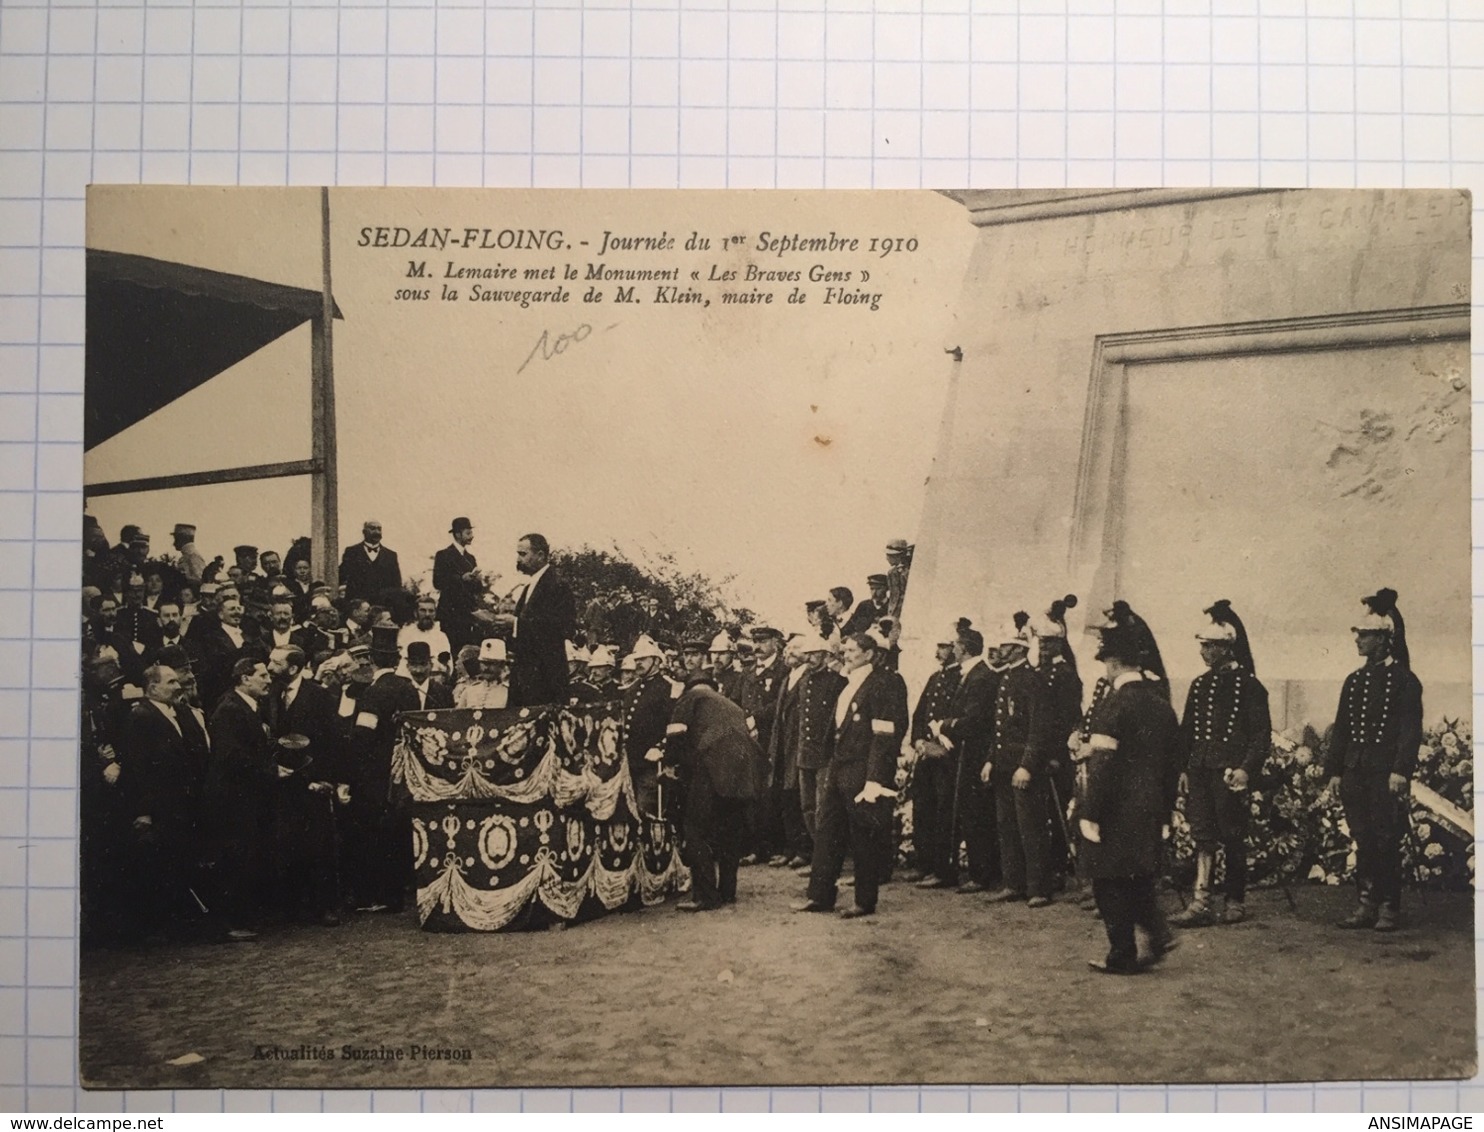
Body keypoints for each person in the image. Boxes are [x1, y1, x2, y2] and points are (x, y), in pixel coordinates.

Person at [1074, 602, 1182, 974]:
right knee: (1136, 879)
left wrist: (1090, 813)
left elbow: (1102, 767)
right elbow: (1172, 766)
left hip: (1116, 809)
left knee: (1108, 884)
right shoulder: (1161, 707)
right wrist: (1166, 810)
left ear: (1114, 664)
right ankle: (1158, 932)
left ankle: (1122, 955)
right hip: (1150, 806)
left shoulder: (1114, 706)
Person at [1324, 588, 1424, 933]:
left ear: (1383, 640)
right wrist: (1335, 771)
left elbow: (1410, 732)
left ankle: (1388, 906)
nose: (1358, 641)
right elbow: (1341, 731)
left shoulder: (1405, 681)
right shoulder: (1354, 682)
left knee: (1385, 839)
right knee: (1362, 837)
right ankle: (1365, 903)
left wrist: (1400, 770)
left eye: (1364, 636)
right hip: (1355, 772)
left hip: (1384, 774)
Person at [1170, 600, 1271, 928]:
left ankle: (1235, 899)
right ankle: (1201, 901)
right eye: (1203, 645)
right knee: (1203, 835)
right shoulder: (1199, 685)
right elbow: (1187, 732)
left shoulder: (1250, 686)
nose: (1204, 652)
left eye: (1210, 646)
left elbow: (1260, 736)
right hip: (1200, 770)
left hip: (1229, 774)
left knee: (1233, 835)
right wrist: (1184, 768)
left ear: (1227, 649)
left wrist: (1246, 769)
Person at [793, 632, 905, 918]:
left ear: (869, 654)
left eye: (853, 650)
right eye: (845, 649)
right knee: (828, 831)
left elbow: (884, 735)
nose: (847, 654)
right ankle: (820, 896)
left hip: (863, 771)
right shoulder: (847, 681)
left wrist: (874, 779)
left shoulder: (883, 683)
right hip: (839, 768)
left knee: (863, 837)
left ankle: (864, 901)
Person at [665, 672, 762, 911]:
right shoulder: (731, 705)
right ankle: (727, 891)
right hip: (742, 770)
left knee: (694, 829)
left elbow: (675, 734)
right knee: (730, 831)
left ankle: (706, 896)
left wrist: (670, 764)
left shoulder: (690, 698)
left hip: (710, 765)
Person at [119, 664, 201, 940]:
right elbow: (138, 768)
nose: (178, 686)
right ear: (152, 688)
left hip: (178, 802)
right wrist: (145, 811)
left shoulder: (173, 712)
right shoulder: (142, 717)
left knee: (177, 861)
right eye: (170, 682)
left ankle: (178, 923)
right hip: (160, 806)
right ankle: (164, 926)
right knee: (163, 865)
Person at [266, 645, 346, 926]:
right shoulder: (271, 693)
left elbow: (332, 741)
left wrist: (324, 779)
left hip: (312, 780)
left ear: (293, 668)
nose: (269, 667)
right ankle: (293, 907)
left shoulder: (319, 696)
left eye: (275, 663)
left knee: (319, 843)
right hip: (282, 781)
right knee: (287, 842)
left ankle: (325, 906)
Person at [205, 657, 283, 941]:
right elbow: (231, 756)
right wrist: (272, 770)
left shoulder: (248, 707)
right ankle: (233, 921)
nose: (268, 679)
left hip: (248, 797)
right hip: (234, 800)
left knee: (248, 855)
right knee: (236, 857)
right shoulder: (230, 710)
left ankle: (245, 917)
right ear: (244, 679)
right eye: (262, 675)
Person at [981, 616, 1053, 907]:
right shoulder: (1007, 678)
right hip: (1004, 764)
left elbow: (1039, 728)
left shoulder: (1033, 680)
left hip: (1023, 766)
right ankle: (1014, 882)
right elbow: (999, 727)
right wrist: (990, 760)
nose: (1002, 650)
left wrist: (1027, 765)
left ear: (1021, 649)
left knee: (1030, 826)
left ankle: (1038, 888)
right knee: (1006, 824)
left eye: (1008, 646)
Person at [347, 625, 418, 913]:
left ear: (372, 660)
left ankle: (378, 895)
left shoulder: (373, 693)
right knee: (399, 830)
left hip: (376, 773)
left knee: (373, 832)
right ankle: (396, 894)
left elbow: (363, 736)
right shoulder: (409, 689)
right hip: (404, 768)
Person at [935, 620, 1000, 894]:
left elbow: (974, 720)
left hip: (973, 754)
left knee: (975, 814)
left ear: (964, 649)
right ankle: (975, 871)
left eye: (956, 646)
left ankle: (981, 874)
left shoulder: (981, 677)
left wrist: (945, 725)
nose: (952, 650)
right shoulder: (972, 674)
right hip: (964, 753)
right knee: (967, 811)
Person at [1028, 595, 1085, 890]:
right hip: (1039, 755)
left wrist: (1055, 756)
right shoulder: (1041, 673)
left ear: (1059, 644)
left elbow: (1065, 720)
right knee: (1040, 813)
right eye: (1041, 644)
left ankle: (1059, 869)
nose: (1044, 648)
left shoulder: (1065, 676)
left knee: (1057, 812)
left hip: (1056, 757)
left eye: (1049, 644)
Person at [492, 533, 576, 708]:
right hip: (526, 678)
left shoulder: (558, 585)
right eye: (518, 554)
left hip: (545, 679)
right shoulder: (530, 586)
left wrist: (515, 624)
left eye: (523, 554)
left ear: (540, 555)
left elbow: (560, 627)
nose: (518, 559)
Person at [907, 628, 963, 888]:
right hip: (926, 754)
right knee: (922, 807)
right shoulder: (934, 678)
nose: (939, 651)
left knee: (944, 811)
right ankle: (924, 863)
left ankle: (942, 868)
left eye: (944, 646)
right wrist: (918, 741)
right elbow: (919, 715)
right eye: (939, 646)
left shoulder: (960, 679)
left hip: (946, 755)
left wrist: (940, 744)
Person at [789, 634, 846, 875]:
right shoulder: (803, 680)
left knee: (824, 809)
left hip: (825, 755)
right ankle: (818, 857)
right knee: (808, 806)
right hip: (805, 753)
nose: (809, 658)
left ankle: (827, 861)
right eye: (808, 654)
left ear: (825, 655)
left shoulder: (837, 682)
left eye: (814, 654)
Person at [738, 625, 788, 865]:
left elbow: (780, 704)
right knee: (752, 792)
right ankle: (755, 846)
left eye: (763, 641)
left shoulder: (783, 671)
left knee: (772, 792)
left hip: (772, 738)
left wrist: (755, 719)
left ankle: (776, 846)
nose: (757, 646)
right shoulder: (747, 673)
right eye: (755, 641)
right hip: (749, 738)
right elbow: (737, 702)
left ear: (776, 643)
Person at [620, 635, 678, 820]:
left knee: (645, 811)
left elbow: (675, 726)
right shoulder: (631, 689)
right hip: (630, 763)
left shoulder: (670, 688)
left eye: (643, 659)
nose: (638, 663)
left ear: (656, 660)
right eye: (636, 659)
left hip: (652, 765)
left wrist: (661, 747)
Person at [432, 517, 482, 654]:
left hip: (467, 614)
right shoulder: (443, 555)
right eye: (468, 533)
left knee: (465, 651)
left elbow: (477, 589)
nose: (472, 536)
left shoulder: (471, 558)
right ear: (458, 534)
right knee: (450, 649)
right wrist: (461, 579)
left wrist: (477, 581)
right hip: (450, 613)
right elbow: (438, 581)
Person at [338, 520, 402, 604]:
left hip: (383, 605)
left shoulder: (391, 555)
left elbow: (396, 583)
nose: (377, 532)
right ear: (364, 532)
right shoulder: (351, 552)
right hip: (358, 604)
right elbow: (342, 575)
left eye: (379, 529)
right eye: (372, 528)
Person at [398, 594, 453, 678]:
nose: (427, 614)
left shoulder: (441, 637)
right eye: (423, 610)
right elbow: (402, 662)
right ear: (415, 613)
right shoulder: (405, 634)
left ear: (435, 614)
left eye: (431, 611)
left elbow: (447, 666)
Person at [454, 638, 513, 709]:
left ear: (501, 665)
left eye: (491, 664)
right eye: (484, 663)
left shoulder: (508, 693)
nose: (486, 668)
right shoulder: (469, 691)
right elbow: (458, 717)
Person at [404, 641, 454, 710]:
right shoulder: (400, 693)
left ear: (431, 665)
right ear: (407, 666)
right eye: (414, 664)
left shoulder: (444, 693)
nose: (418, 670)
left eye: (423, 664)